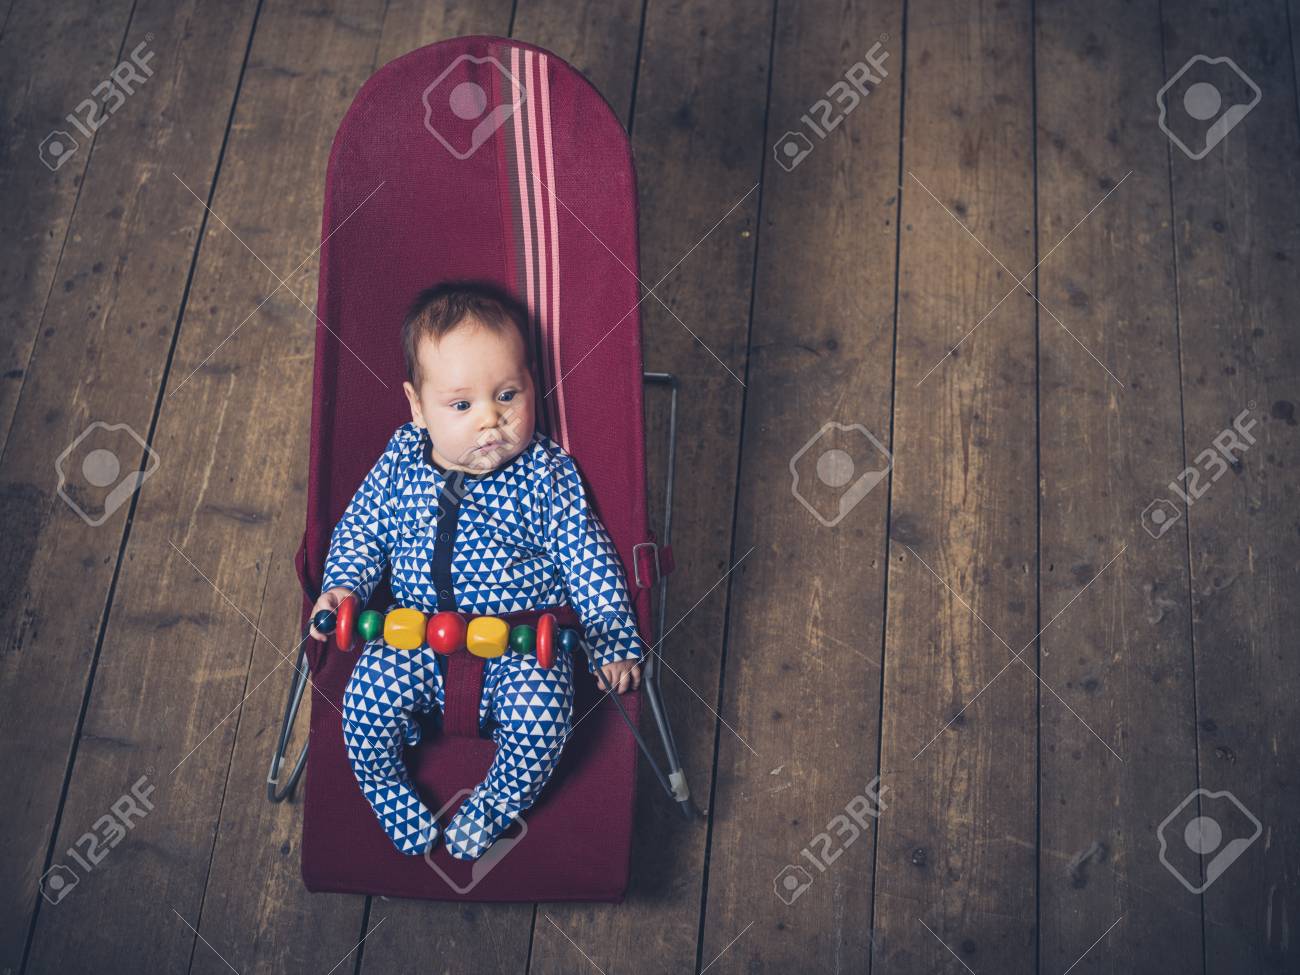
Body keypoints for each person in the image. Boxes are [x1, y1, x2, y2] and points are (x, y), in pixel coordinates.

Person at [311, 281, 643, 859]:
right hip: (410, 637)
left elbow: (585, 556)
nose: (491, 421)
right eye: (462, 406)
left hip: (520, 645)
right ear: (418, 407)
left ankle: (492, 807)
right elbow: (362, 530)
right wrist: (341, 586)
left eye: (508, 395)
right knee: (362, 709)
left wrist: (611, 637)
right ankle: (387, 790)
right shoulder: (399, 463)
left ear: (532, 384)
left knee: (543, 724)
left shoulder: (546, 474)